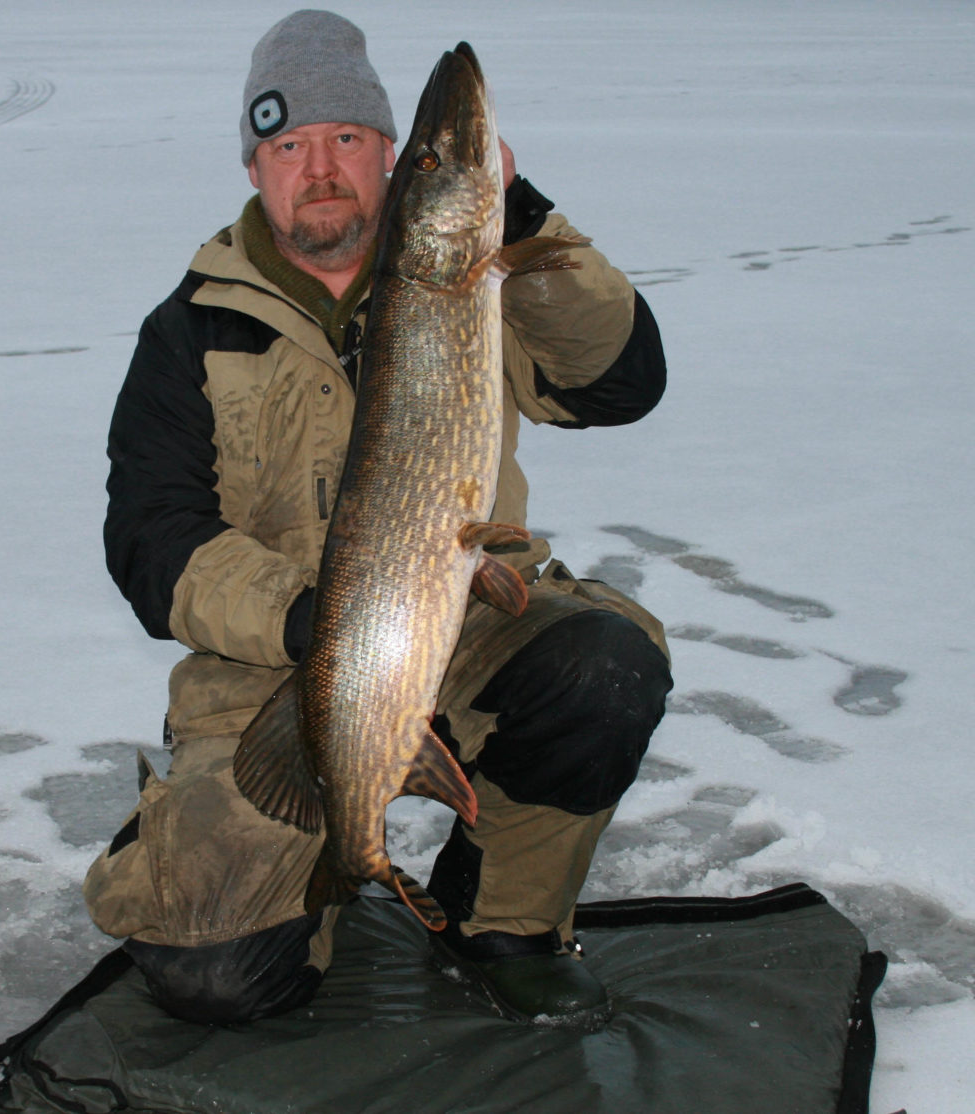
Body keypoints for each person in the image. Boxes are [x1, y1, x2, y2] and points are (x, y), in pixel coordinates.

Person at [84, 9, 673, 1030]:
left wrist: (518, 214)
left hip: (468, 621)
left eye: (346, 140)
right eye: (289, 145)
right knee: (221, 981)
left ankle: (500, 921)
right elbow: (151, 541)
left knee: (604, 665)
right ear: (256, 165)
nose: (320, 169)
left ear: (394, 161)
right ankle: (314, 878)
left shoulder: (474, 280)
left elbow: (621, 380)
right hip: (277, 670)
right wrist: (313, 617)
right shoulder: (190, 331)